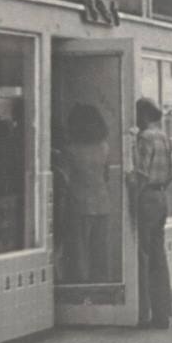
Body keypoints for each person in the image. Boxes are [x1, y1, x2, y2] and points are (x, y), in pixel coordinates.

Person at [133, 97, 172, 330]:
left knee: (143, 255)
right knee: (159, 255)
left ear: (144, 115)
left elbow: (141, 172)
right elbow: (170, 173)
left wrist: (132, 197)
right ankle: (162, 312)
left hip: (146, 196)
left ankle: (143, 312)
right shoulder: (163, 136)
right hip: (161, 197)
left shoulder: (145, 138)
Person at [62, 103, 111, 284]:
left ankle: (81, 289)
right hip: (102, 202)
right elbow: (106, 175)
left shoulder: (70, 150)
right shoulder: (104, 147)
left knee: (79, 253)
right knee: (99, 252)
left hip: (78, 203)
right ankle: (100, 286)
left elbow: (66, 178)